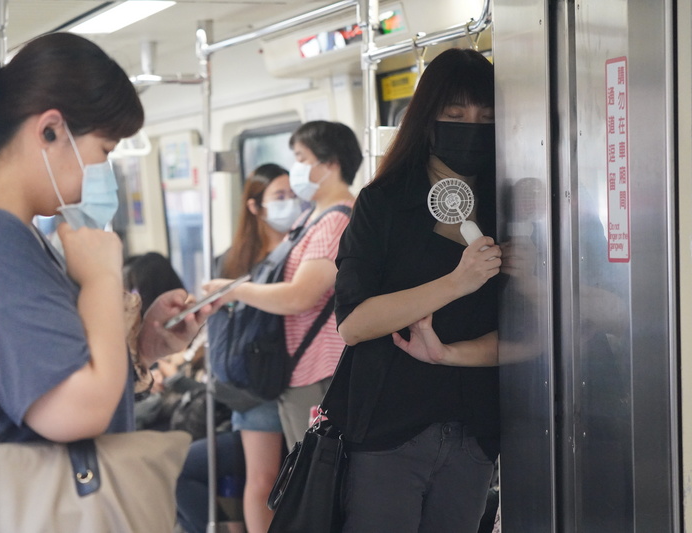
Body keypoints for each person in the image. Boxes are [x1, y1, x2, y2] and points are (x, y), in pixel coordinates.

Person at [0, 32, 209, 445]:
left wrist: (144, 348)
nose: (104, 169)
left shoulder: (27, 238)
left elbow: (69, 365)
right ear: (51, 130)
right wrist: (102, 280)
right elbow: (78, 411)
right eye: (105, 150)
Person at [327, 48, 502, 532]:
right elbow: (355, 324)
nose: (472, 126)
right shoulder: (382, 204)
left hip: (475, 431)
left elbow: (531, 331)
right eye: (456, 114)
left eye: (486, 117)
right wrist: (456, 282)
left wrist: (450, 353)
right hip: (389, 428)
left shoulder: (511, 204)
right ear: (428, 120)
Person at [204, 121, 362, 450]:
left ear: (330, 164)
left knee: (316, 477)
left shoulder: (336, 221)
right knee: (300, 476)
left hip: (319, 370)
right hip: (298, 369)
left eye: (302, 159)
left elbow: (299, 297)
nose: (296, 170)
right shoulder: (311, 217)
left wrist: (233, 291)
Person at [211, 163, 297, 533]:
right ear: (254, 206)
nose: (290, 203)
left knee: (293, 478)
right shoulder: (234, 262)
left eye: (293, 195)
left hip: (296, 375)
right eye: (280, 196)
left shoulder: (303, 249)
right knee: (263, 477)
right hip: (257, 380)